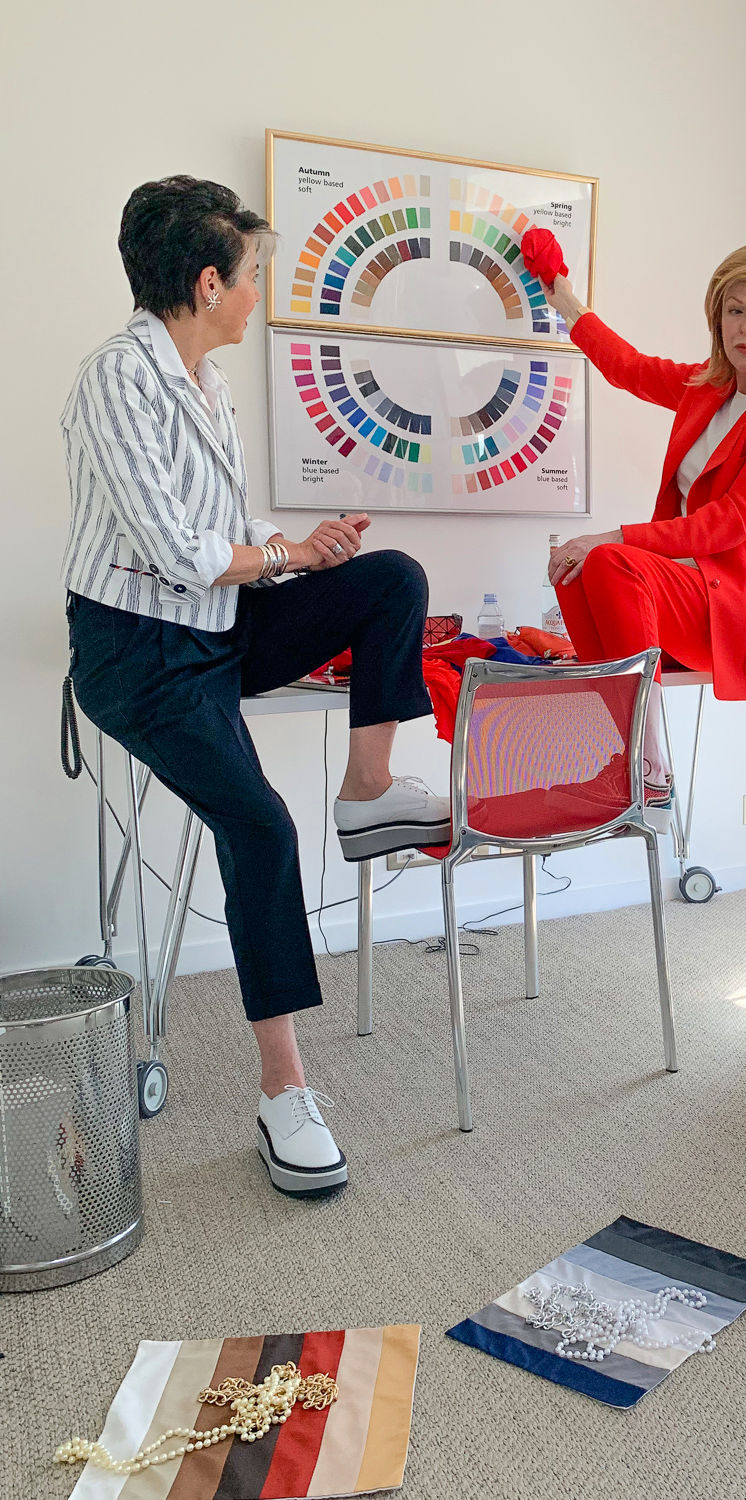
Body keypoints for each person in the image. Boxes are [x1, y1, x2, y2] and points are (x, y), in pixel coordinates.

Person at [62, 176, 450, 1198]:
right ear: (205, 281)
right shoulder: (115, 380)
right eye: (250, 275)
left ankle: (369, 788)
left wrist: (304, 557)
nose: (256, 292)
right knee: (264, 830)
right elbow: (181, 549)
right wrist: (277, 553)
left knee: (390, 581)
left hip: (215, 626)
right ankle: (284, 1092)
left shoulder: (207, 382)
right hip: (137, 654)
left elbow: (219, 549)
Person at [542, 243, 746, 827]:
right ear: (717, 318)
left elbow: (731, 522)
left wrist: (612, 536)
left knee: (611, 559)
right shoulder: (707, 389)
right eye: (734, 310)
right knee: (581, 567)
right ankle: (624, 753)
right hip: (692, 599)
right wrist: (562, 296)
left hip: (744, 614)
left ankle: (649, 771)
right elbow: (628, 366)